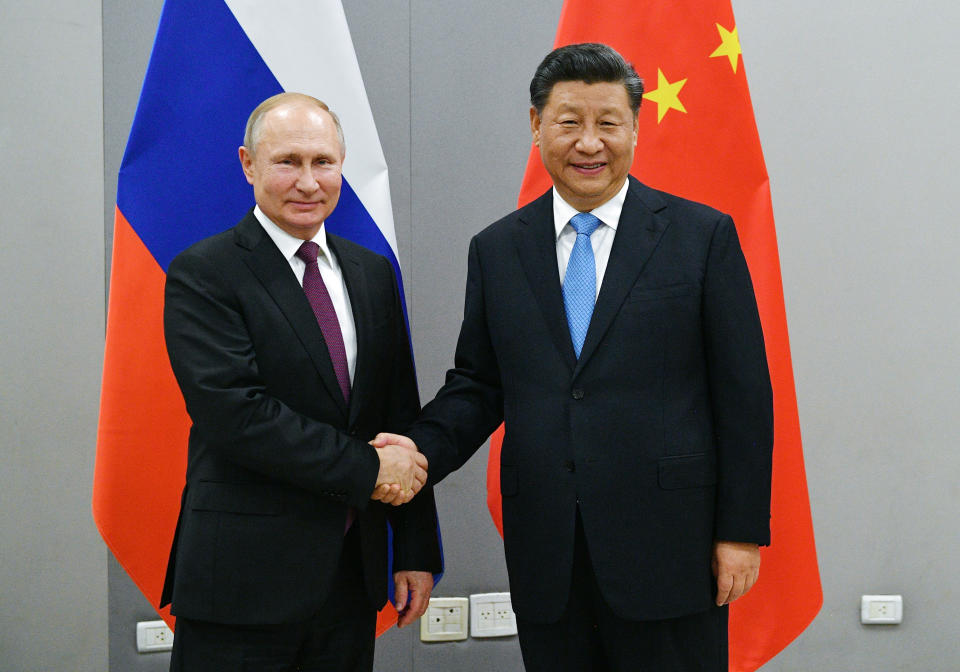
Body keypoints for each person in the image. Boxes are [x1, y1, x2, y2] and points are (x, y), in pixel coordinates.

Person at [374, 43, 773, 671]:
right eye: (568, 122)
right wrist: (416, 451)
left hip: (672, 547)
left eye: (608, 122)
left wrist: (740, 531)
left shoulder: (702, 238)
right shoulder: (499, 249)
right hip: (548, 551)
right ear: (537, 126)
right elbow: (479, 385)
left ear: (636, 128)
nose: (589, 142)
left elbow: (744, 395)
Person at [160, 92, 441, 672]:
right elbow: (237, 415)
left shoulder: (370, 272)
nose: (308, 182)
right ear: (248, 165)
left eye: (324, 162)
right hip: (242, 582)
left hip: (349, 579)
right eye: (288, 161)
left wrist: (413, 548)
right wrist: (369, 470)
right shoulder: (205, 273)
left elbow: (397, 415)